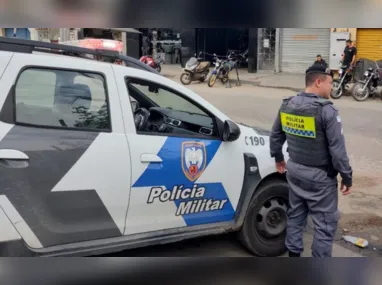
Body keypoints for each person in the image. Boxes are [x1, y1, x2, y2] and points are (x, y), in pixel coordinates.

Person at [269, 64, 353, 257]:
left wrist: (279, 158)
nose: (332, 87)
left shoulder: (287, 104)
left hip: (295, 171)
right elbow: (338, 152)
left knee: (295, 217)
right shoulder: (327, 111)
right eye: (330, 83)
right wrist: (347, 177)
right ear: (318, 82)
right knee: (324, 225)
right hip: (320, 178)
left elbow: (275, 135)